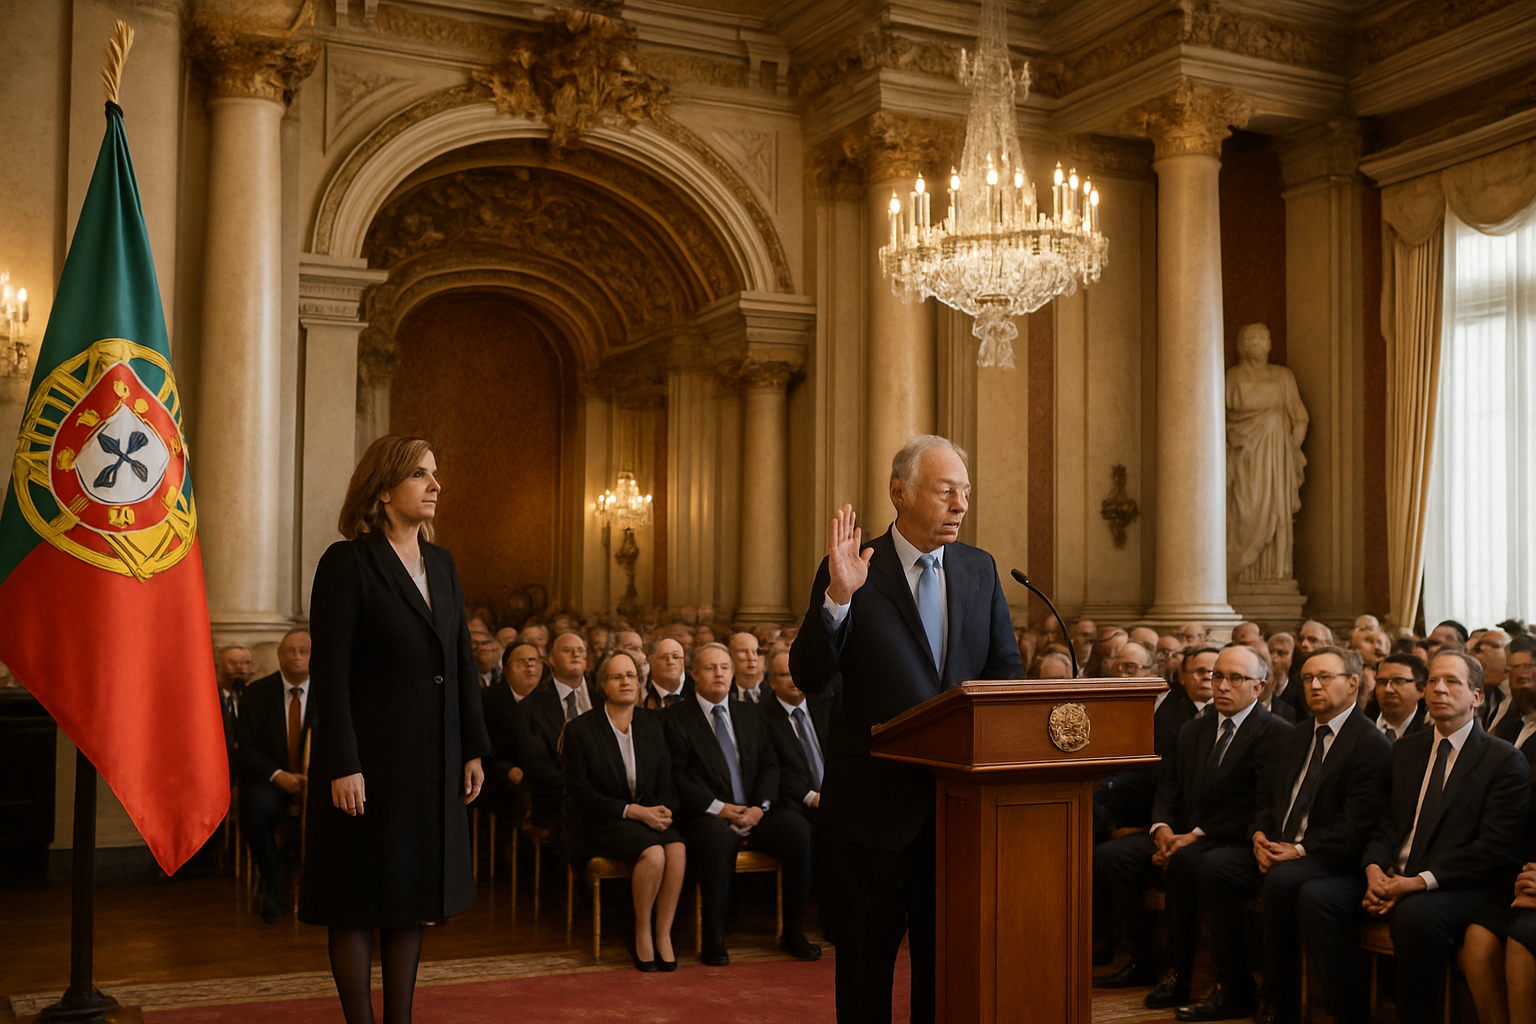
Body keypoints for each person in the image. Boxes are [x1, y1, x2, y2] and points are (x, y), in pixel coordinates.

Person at [790, 435, 1022, 1023]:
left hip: (956, 813)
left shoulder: (979, 569)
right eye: (946, 492)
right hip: (872, 815)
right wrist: (838, 600)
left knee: (944, 978)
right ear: (900, 492)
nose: (960, 506)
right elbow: (810, 675)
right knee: (866, 976)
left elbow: (1004, 678)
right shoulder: (852, 567)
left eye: (965, 493)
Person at [300, 435, 490, 1024]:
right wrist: (341, 763)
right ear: (383, 491)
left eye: (436, 474)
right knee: (356, 901)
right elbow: (329, 675)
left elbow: (460, 663)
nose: (436, 486)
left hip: (429, 763)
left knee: (411, 898)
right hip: (366, 765)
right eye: (420, 476)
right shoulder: (346, 563)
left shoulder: (444, 563)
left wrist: (472, 750)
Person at [1322, 649, 1529, 1024]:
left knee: (1416, 915)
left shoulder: (1503, 761)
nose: (1440, 689)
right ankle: (1345, 1014)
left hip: (1465, 886)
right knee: (1320, 896)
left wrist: (1415, 884)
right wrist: (1373, 870)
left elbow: (1493, 850)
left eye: (1452, 682)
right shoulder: (1406, 750)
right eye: (1433, 681)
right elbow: (1386, 823)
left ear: (1477, 697)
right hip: (1396, 874)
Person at [1193, 646, 1391, 1024]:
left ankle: (1278, 1000)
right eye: (1307, 679)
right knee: (1213, 865)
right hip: (1279, 847)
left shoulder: (1369, 745)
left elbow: (1356, 826)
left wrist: (1298, 850)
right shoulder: (1294, 737)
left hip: (1331, 859)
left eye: (1325, 678)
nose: (1314, 686)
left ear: (1353, 684)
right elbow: (1266, 798)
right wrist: (1259, 836)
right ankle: (1235, 987)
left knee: (1285, 880)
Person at [1095, 646, 1283, 1010]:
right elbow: (1168, 787)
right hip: (1182, 834)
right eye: (1218, 676)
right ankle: (1141, 960)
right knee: (1112, 856)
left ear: (1257, 688)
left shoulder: (1275, 734)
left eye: (1235, 678)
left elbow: (1260, 805)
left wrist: (1193, 836)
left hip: (1234, 839)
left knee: (1192, 863)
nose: (1223, 686)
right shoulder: (1193, 730)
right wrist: (1161, 828)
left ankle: (1196, 976)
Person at [666, 643, 819, 965]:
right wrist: (718, 808)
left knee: (798, 832)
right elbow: (678, 774)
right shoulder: (676, 718)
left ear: (732, 674)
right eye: (710, 668)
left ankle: (793, 930)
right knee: (717, 839)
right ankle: (714, 938)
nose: (719, 673)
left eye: (724, 667)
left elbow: (770, 765)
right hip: (707, 815)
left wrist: (759, 807)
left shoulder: (752, 713)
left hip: (754, 810)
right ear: (693, 675)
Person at [563, 651, 686, 972]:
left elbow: (666, 777)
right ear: (603, 685)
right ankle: (641, 931)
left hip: (647, 816)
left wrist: (663, 811)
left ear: (640, 683)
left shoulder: (652, 723)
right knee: (655, 854)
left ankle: (664, 933)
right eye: (617, 676)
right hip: (601, 820)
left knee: (677, 848)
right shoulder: (580, 729)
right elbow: (581, 794)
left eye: (631, 676)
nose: (626, 682)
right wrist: (633, 811)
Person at [236, 629, 314, 922]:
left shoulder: (332, 693)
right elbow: (245, 747)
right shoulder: (257, 694)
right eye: (290, 651)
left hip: (317, 783)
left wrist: (311, 778)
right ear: (279, 656)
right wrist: (279, 775)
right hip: (271, 780)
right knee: (255, 811)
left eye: (304, 651)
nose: (297, 656)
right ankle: (270, 886)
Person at [516, 631, 594, 830]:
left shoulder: (602, 697)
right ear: (551, 659)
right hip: (557, 797)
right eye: (567, 650)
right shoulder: (532, 707)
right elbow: (538, 765)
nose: (576, 655)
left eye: (580, 651)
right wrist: (580, 788)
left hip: (606, 795)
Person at [478, 640, 543, 820]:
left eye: (534, 660)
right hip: (500, 776)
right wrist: (505, 769)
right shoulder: (488, 702)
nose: (529, 665)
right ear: (505, 670)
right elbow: (481, 748)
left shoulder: (549, 700)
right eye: (521, 662)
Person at [1370, 653, 1430, 742]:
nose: (1388, 689)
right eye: (1382, 682)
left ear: (1421, 690)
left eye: (1399, 681)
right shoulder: (1359, 727)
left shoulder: (1428, 734)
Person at [644, 637, 689, 708]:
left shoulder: (697, 690)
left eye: (676, 657)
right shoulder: (642, 694)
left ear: (683, 662)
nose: (670, 662)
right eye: (663, 657)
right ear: (651, 661)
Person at [728, 631, 766, 702]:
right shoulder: (724, 694)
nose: (751, 658)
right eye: (743, 651)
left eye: (755, 652)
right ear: (730, 657)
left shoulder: (774, 692)